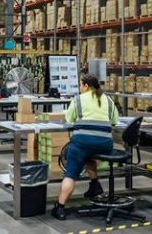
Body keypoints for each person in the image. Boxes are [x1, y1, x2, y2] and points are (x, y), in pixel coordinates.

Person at [52, 74, 119, 221]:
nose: (80, 88)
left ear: (86, 86)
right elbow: (115, 120)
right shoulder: (107, 99)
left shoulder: (78, 100)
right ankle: (94, 184)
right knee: (89, 155)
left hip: (82, 143)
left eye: (81, 85)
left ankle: (60, 207)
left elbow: (69, 119)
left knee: (71, 174)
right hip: (104, 145)